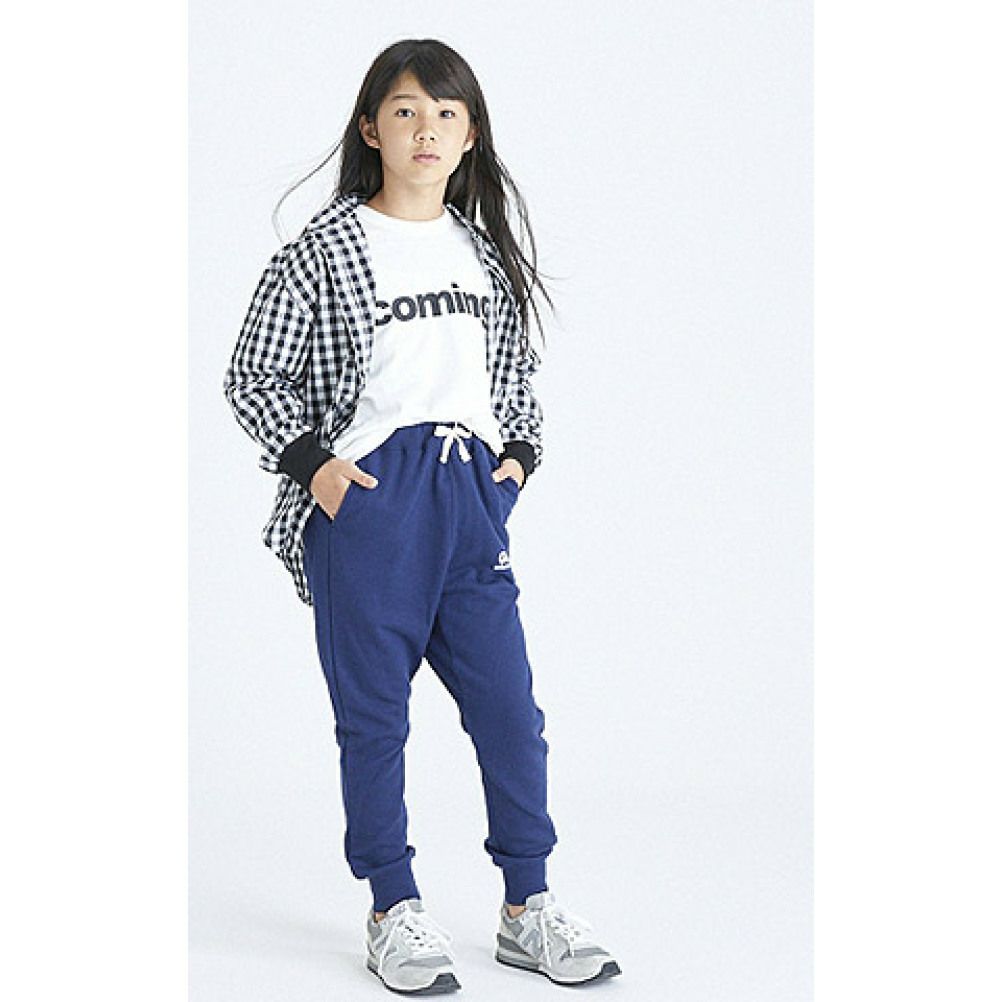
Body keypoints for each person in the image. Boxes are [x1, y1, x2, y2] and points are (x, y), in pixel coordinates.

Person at [222, 38, 622, 995]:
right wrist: (318, 470)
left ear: (471, 134)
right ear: (372, 128)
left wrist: (514, 465)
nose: (426, 129)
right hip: (371, 506)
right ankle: (392, 908)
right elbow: (252, 373)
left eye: (446, 113)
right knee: (375, 723)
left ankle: (527, 906)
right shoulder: (323, 251)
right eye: (405, 111)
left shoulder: (482, 254)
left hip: (469, 502)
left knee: (511, 714)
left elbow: (512, 380)